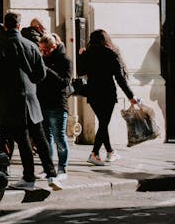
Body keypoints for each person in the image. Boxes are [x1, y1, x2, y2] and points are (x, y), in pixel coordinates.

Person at [0, 12, 60, 190]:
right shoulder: (31, 45)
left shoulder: (1, 48)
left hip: (11, 100)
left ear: (5, 26)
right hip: (31, 99)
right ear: (20, 26)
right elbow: (41, 74)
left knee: (23, 141)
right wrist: (30, 85)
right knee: (40, 137)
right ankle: (52, 175)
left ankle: (29, 177)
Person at [80, 29, 138, 165]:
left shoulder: (87, 54)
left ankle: (110, 151)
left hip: (92, 93)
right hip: (107, 93)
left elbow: (81, 72)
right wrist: (131, 96)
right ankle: (94, 154)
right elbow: (119, 78)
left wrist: (81, 56)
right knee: (103, 123)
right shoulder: (111, 54)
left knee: (102, 123)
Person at [37, 33, 71, 180]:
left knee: (59, 138)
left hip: (58, 104)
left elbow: (64, 82)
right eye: (41, 50)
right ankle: (48, 168)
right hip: (43, 103)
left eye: (46, 50)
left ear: (54, 46)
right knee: (46, 139)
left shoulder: (65, 60)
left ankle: (62, 168)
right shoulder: (42, 60)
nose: (43, 53)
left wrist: (48, 71)